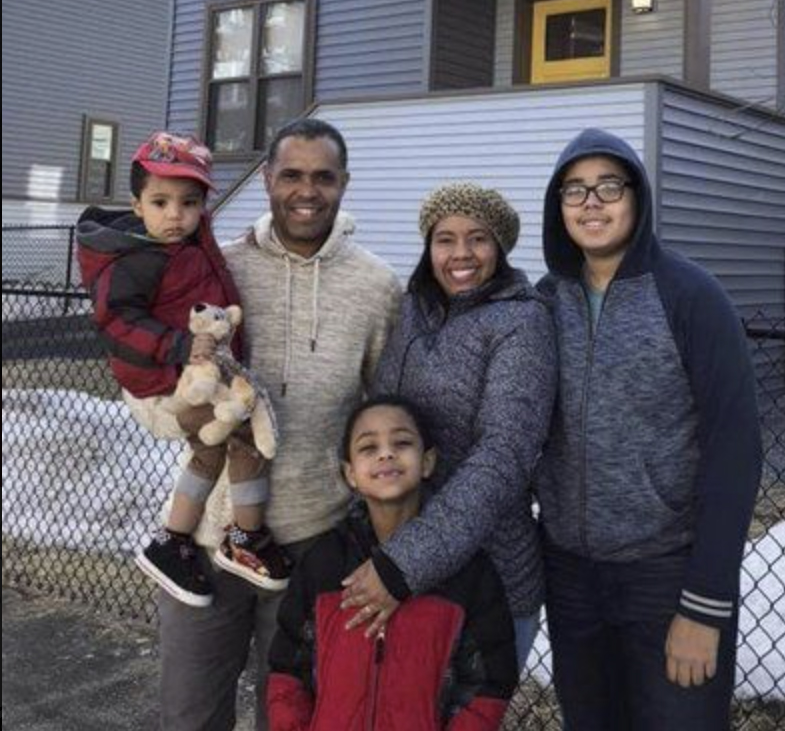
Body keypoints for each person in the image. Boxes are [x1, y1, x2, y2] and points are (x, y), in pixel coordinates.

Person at [155, 118, 401, 731]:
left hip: (316, 545)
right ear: (268, 179)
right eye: (291, 174)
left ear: (344, 183)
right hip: (209, 542)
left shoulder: (377, 287)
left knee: (294, 717)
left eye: (323, 176)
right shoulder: (218, 266)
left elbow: (383, 408)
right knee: (188, 714)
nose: (306, 190)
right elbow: (167, 381)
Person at [535, 129, 763, 728]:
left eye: (608, 186)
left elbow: (735, 453)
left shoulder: (692, 297)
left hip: (666, 577)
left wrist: (705, 606)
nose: (591, 203)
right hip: (572, 579)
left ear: (637, 197)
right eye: (574, 190)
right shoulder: (546, 301)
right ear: (557, 207)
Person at [346, 183, 557, 673]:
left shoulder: (521, 322)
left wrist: (406, 562)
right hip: (396, 562)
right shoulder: (412, 313)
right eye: (445, 239)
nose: (460, 253)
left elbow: (504, 452)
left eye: (478, 238)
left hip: (488, 574)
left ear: (499, 248)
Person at [76, 131, 290, 605]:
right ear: (137, 205)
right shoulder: (135, 259)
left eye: (188, 202)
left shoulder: (191, 240)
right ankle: (246, 539)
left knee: (209, 452)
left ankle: (173, 540)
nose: (175, 215)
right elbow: (114, 322)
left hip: (197, 369)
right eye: (161, 202)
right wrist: (177, 346)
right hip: (166, 378)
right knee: (242, 437)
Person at [266, 396, 518, 730]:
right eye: (368, 447)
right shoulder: (325, 561)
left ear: (427, 461)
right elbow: (289, 667)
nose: (386, 453)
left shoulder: (468, 571)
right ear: (350, 473)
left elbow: (487, 683)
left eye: (401, 442)